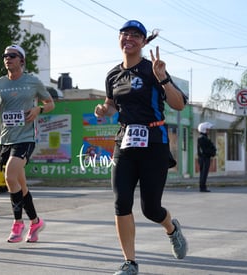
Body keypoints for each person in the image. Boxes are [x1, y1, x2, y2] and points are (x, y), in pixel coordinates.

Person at [94, 20, 188, 275]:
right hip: (124, 143)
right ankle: (130, 262)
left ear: (144, 42)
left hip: (154, 143)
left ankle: (171, 228)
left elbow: (179, 105)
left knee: (151, 209)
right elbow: (112, 104)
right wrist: (105, 110)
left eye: (136, 35)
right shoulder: (113, 74)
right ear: (119, 39)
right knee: (121, 202)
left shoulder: (153, 70)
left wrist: (164, 79)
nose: (129, 38)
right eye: (125, 34)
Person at [0, 45, 55, 243]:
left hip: (26, 138)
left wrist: (39, 110)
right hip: (5, 139)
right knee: (20, 185)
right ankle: (36, 221)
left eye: (12, 56)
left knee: (10, 175)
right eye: (5, 56)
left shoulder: (32, 82)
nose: (8, 59)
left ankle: (18, 223)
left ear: (21, 60)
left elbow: (50, 103)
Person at [197, 122, 217, 192]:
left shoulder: (204, 138)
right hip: (204, 158)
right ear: (204, 129)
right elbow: (205, 149)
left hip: (204, 158)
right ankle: (202, 187)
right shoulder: (202, 138)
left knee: (204, 173)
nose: (209, 131)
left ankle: (203, 186)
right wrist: (211, 152)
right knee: (203, 173)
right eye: (207, 129)